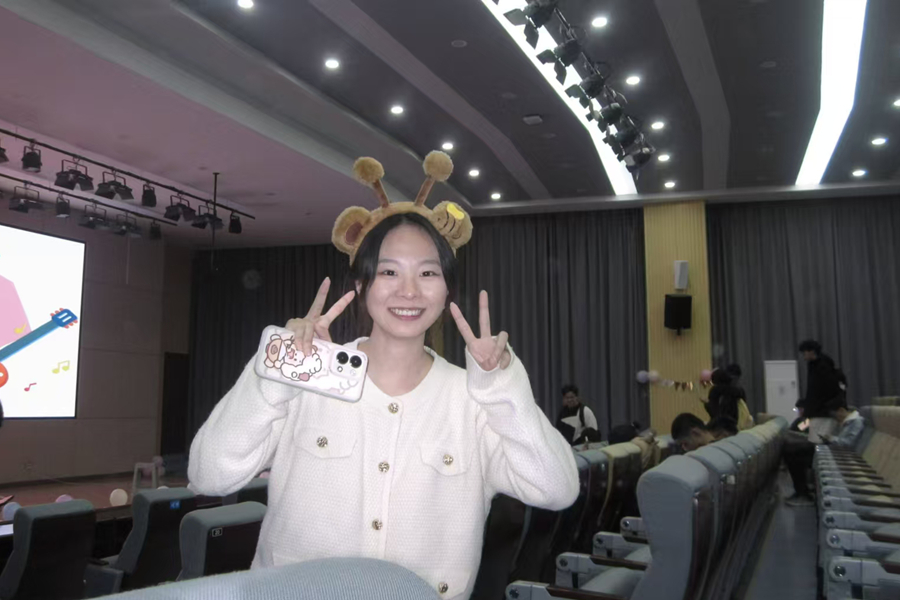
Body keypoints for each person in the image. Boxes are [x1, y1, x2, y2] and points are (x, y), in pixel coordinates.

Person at [187, 151, 579, 599]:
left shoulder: (473, 399)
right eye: (389, 271)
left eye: (427, 273)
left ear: (447, 289)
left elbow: (556, 489)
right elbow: (210, 474)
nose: (408, 291)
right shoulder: (310, 381)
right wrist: (279, 370)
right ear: (360, 284)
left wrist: (502, 386)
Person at [784, 398, 864, 507]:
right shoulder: (806, 420)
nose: (800, 412)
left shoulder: (851, 422)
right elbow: (796, 429)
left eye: (801, 409)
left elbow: (845, 442)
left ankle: (803, 493)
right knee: (793, 450)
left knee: (795, 454)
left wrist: (826, 436)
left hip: (836, 453)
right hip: (826, 447)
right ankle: (802, 492)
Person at [798, 339, 845, 443]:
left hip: (823, 411)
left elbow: (820, 391)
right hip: (819, 411)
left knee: (819, 440)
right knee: (816, 438)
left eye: (804, 353)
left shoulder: (823, 366)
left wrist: (808, 407)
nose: (804, 356)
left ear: (811, 351)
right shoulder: (814, 364)